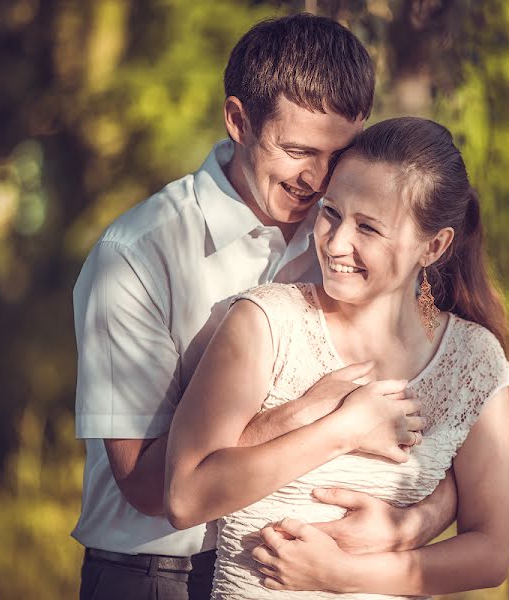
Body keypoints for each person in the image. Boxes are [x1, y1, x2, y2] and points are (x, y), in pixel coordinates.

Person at [71, 15, 457, 600]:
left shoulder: (351, 244)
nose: (319, 179)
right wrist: (312, 417)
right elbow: (148, 488)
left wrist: (412, 524)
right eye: (298, 150)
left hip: (298, 575)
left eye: (337, 153)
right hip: (157, 578)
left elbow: (451, 436)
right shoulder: (135, 257)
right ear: (238, 120)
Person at [165, 117, 509, 599]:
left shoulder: (473, 360)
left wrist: (340, 574)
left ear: (435, 246)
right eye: (331, 213)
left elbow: (489, 552)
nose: (337, 244)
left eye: (369, 228)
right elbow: (184, 497)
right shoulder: (265, 323)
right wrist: (341, 430)